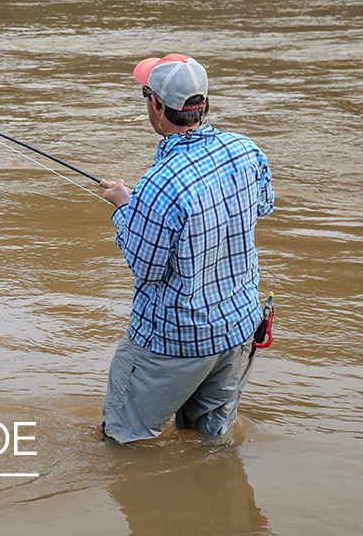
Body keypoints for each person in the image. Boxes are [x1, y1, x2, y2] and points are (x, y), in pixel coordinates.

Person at [98, 53, 274, 443]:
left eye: (147, 95)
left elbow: (146, 267)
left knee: (123, 441)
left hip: (174, 340)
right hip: (237, 329)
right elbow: (263, 204)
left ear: (156, 105)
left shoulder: (159, 184)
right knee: (210, 444)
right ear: (203, 104)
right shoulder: (247, 150)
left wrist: (124, 206)